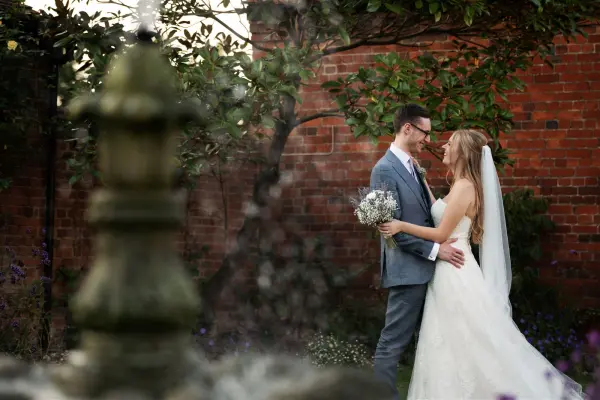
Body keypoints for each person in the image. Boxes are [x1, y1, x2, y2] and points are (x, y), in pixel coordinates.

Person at [378, 129, 583, 399]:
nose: (443, 147)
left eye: (450, 144)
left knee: (465, 338)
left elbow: (441, 235)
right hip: (447, 268)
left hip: (455, 270)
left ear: (462, 152)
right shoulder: (460, 185)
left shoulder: (465, 188)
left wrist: (400, 225)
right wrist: (423, 179)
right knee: (451, 340)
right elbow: (439, 211)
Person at [370, 104, 466, 400]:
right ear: (408, 128)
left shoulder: (412, 165)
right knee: (392, 343)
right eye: (425, 132)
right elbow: (392, 231)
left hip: (429, 269)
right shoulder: (384, 169)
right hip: (408, 271)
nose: (429, 138)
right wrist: (438, 250)